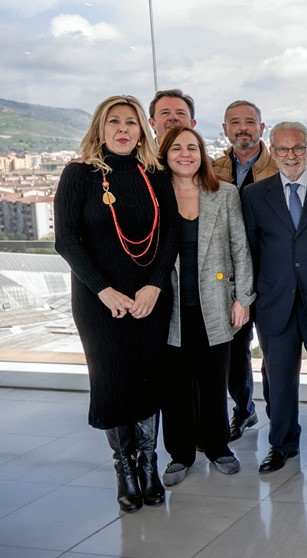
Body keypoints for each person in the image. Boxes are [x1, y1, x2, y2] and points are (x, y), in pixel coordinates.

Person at [54, 95, 180, 512]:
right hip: (98, 302)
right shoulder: (79, 175)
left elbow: (171, 237)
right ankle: (124, 470)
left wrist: (155, 286)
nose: (123, 129)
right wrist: (103, 290)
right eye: (114, 121)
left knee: (147, 378)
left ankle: (148, 464)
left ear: (142, 129)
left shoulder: (156, 174)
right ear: (100, 128)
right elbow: (66, 240)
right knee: (112, 380)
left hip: (149, 298)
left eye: (131, 121)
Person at [240, 122, 307, 474]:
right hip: (274, 301)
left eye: (298, 148)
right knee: (279, 380)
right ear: (272, 150)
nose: (290, 156)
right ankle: (282, 445)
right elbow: (250, 252)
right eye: (282, 149)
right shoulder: (255, 195)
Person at [158, 126, 254, 485]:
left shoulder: (224, 194)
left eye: (193, 148)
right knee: (175, 387)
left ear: (202, 154)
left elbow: (240, 249)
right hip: (168, 309)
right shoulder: (156, 196)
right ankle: (179, 456)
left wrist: (243, 299)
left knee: (215, 382)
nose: (185, 154)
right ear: (166, 154)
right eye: (177, 148)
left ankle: (219, 448)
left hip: (215, 304)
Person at [212, 100, 279, 442]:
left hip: (269, 275)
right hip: (230, 279)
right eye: (234, 122)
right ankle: (244, 410)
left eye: (249, 122)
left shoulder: (278, 165)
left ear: (261, 127)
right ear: (224, 130)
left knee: (272, 350)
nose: (242, 128)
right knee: (236, 350)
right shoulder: (210, 170)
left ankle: (277, 420)